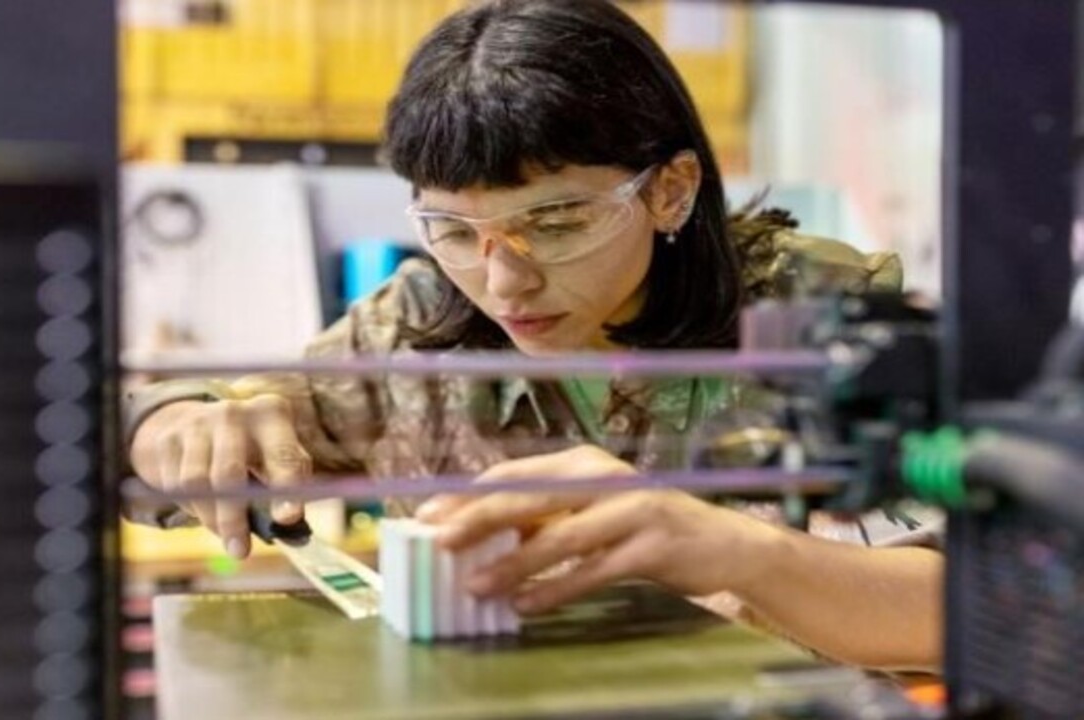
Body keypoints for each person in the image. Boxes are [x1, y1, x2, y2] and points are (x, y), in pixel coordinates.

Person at [126, 0, 941, 671]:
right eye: (450, 228)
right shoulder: (416, 329)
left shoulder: (823, 319)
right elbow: (145, 432)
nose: (502, 281)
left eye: (552, 222)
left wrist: (736, 553)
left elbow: (981, 608)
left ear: (670, 191)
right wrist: (173, 425)